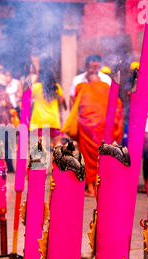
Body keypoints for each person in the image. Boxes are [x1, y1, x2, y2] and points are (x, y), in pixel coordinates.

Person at [62, 55, 123, 197]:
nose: (94, 70)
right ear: (87, 66)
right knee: (89, 157)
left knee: (102, 156)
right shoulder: (78, 82)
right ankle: (90, 187)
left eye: (97, 67)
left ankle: (98, 186)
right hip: (87, 127)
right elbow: (74, 102)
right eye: (92, 67)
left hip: (102, 127)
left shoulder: (106, 81)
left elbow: (115, 103)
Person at [30, 68, 66, 147]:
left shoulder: (36, 87)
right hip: (53, 120)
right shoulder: (56, 87)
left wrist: (35, 79)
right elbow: (61, 101)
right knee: (57, 144)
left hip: (38, 120)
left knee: (38, 146)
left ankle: (39, 158)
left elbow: (27, 95)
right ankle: (57, 159)